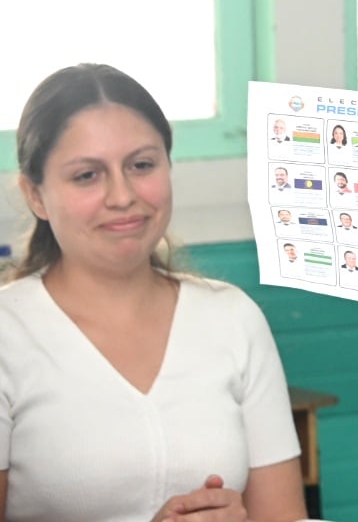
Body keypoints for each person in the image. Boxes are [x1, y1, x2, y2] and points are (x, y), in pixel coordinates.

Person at [0, 64, 307, 522]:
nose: (122, 196)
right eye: (87, 175)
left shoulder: (233, 318)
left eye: (141, 165)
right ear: (36, 195)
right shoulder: (10, 332)